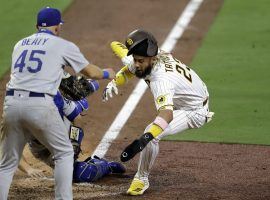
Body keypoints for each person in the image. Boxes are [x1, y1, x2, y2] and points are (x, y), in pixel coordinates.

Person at [0, 7, 115, 200]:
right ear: (58, 27)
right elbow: (90, 73)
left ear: (37, 26)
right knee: (63, 154)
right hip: (38, 104)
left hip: (10, 103)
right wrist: (106, 73)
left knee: (6, 163)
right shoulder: (62, 45)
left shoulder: (19, 44)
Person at [103, 29, 214, 195]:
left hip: (194, 110)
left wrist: (144, 139)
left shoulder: (160, 80)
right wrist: (114, 82)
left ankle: (142, 179)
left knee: (151, 134)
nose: (137, 64)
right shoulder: (152, 56)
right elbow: (127, 63)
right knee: (152, 132)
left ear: (152, 58)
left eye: (140, 60)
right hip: (188, 96)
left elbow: (167, 114)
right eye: (135, 59)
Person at [19, 76, 126, 181]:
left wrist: (75, 142)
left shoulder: (56, 98)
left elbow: (77, 119)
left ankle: (106, 166)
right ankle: (105, 165)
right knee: (79, 173)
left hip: (60, 132)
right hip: (42, 149)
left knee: (72, 113)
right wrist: (29, 169)